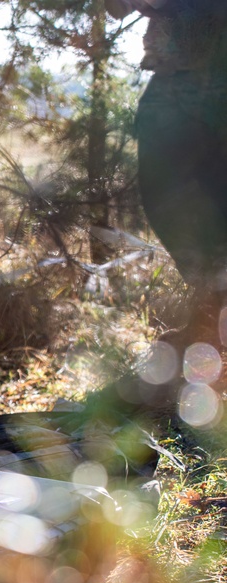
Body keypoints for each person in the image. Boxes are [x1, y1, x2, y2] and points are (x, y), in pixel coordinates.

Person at [107, 0, 227, 339]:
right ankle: (208, 319)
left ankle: (208, 324)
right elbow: (115, 8)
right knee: (169, 200)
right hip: (179, 72)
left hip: (208, 74)